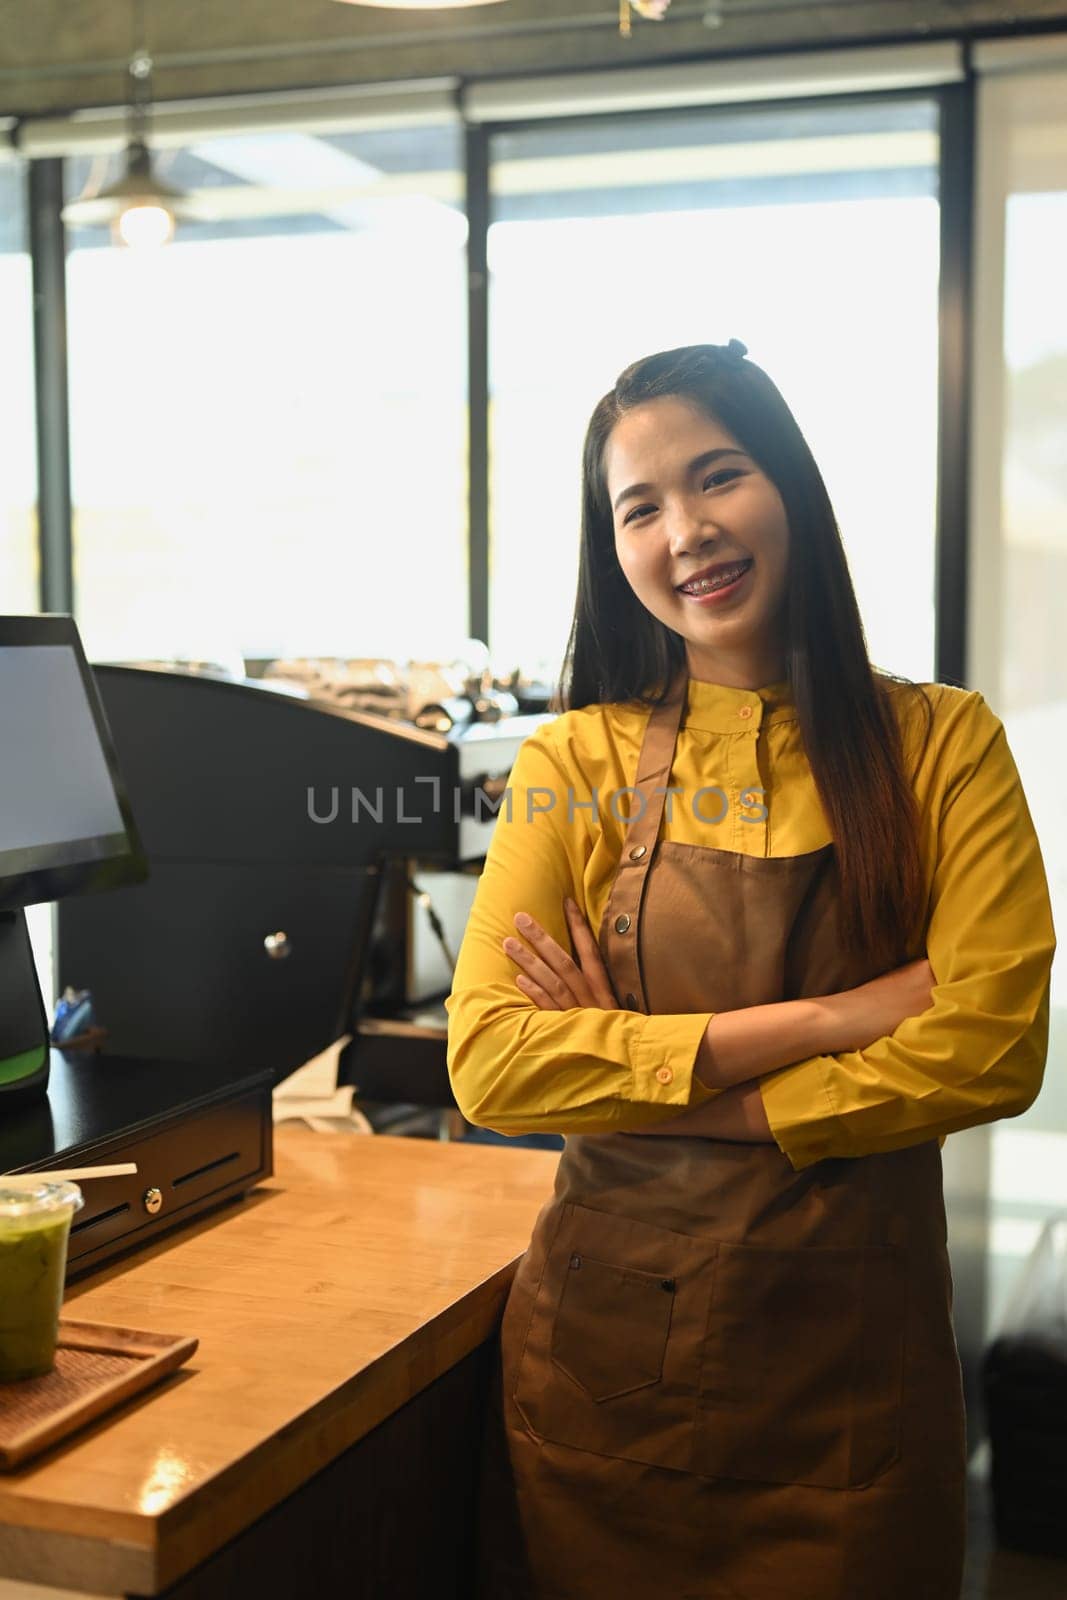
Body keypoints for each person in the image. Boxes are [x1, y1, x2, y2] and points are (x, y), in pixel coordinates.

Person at [444, 340, 1056, 1599]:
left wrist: (660, 1085)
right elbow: (491, 1064)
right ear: (611, 549)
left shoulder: (943, 745)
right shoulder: (575, 762)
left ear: (788, 486)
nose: (686, 531)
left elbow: (991, 1044)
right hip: (604, 1379)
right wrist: (832, 1016)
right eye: (639, 507)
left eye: (715, 477)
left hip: (847, 1380)